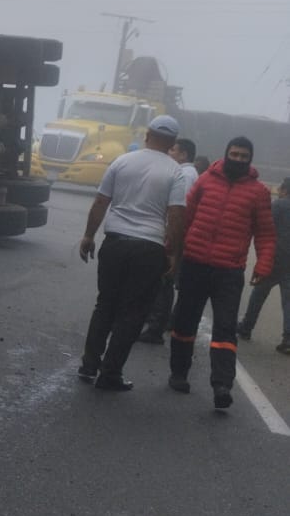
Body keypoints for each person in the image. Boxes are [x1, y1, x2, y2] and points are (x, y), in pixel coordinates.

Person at [77, 115, 187, 392]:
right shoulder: (176, 172)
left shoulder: (123, 161)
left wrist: (89, 235)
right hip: (149, 248)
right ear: (173, 142)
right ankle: (110, 373)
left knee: (105, 305)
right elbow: (175, 216)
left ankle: (89, 365)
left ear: (148, 134)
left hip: (115, 242)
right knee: (132, 312)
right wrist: (173, 253)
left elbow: (101, 202)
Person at [169, 137, 276, 410]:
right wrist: (172, 251)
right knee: (184, 321)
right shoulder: (205, 181)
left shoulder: (259, 192)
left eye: (244, 156)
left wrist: (263, 266)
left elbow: (265, 235)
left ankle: (222, 385)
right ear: (226, 153)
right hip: (194, 264)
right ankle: (178, 374)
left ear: (250, 160)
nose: (239, 159)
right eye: (235, 154)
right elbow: (185, 219)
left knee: (226, 328)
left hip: (229, 270)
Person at [137, 136, 198, 344]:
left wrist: (170, 238)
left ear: (183, 155)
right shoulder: (186, 172)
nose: (169, 153)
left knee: (164, 280)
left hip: (174, 235)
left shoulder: (185, 174)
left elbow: (179, 211)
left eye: (173, 150)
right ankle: (156, 322)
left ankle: (156, 327)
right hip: (174, 234)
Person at [238, 176, 290, 353]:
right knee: (288, 300)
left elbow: (264, 227)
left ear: (283, 190)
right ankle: (288, 339)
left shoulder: (278, 205)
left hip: (275, 258)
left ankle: (246, 328)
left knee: (259, 293)